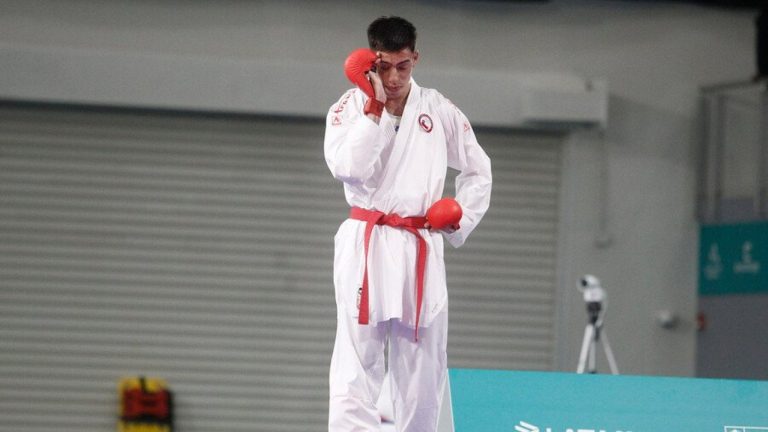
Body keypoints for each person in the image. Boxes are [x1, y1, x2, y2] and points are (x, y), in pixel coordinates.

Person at [324, 16, 492, 432]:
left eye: (403, 66)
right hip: (367, 240)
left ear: (415, 58)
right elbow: (348, 168)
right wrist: (374, 108)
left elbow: (478, 169)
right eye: (383, 67)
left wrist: (459, 219)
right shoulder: (348, 108)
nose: (394, 77)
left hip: (419, 242)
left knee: (423, 365)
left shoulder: (438, 108)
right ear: (369, 61)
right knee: (355, 361)